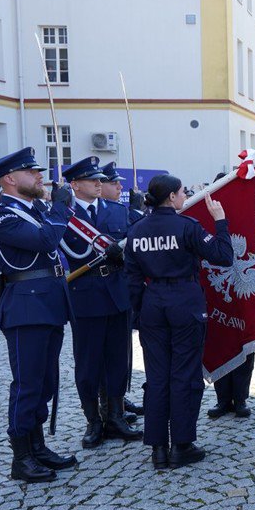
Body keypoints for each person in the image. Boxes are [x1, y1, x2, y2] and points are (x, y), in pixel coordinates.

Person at [0, 147, 80, 483]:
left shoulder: (35, 208)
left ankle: (37, 447)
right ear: (10, 179)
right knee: (27, 383)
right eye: (31, 172)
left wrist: (58, 206)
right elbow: (44, 239)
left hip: (49, 302)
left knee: (46, 381)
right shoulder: (3, 216)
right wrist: (60, 206)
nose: (40, 177)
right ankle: (21, 457)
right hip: (26, 305)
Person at [125, 174, 232, 470]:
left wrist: (140, 311)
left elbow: (132, 279)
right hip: (184, 301)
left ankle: (158, 446)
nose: (185, 196)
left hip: (153, 303)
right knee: (184, 374)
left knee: (157, 377)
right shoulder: (187, 227)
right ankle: (181, 444)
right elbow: (223, 256)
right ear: (171, 197)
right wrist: (220, 221)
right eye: (183, 192)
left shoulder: (136, 231)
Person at [60, 157, 141, 449]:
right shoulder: (63, 217)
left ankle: (116, 416)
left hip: (117, 292)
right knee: (88, 362)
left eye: (99, 179)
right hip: (85, 295)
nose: (98, 183)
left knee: (117, 359)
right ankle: (93, 421)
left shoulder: (118, 211)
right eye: (90, 179)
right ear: (74, 185)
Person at [98, 162, 144, 420]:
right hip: (93, 293)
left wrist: (136, 210)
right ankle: (101, 412)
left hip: (119, 290)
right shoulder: (80, 215)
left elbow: (134, 237)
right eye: (113, 183)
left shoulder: (119, 211)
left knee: (121, 353)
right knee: (97, 357)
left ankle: (118, 400)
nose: (120, 187)